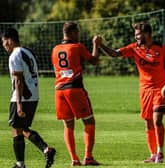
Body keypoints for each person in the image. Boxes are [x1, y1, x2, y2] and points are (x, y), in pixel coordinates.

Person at [99, 22, 165, 163]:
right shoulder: (134, 48)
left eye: (138, 34)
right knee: (148, 122)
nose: (135, 37)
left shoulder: (161, 48)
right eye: (135, 34)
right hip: (144, 90)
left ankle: (160, 152)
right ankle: (153, 154)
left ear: (147, 34)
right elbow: (115, 54)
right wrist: (101, 45)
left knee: (157, 119)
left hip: (160, 89)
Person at [1, 28, 56, 168]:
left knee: (16, 128)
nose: (3, 45)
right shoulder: (28, 51)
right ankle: (46, 150)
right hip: (33, 95)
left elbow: (19, 80)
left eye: (3, 41)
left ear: (10, 40)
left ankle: (21, 164)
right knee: (22, 128)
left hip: (22, 96)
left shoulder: (14, 55)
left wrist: (18, 103)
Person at [51, 21, 101, 166]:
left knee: (68, 125)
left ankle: (74, 159)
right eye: (77, 32)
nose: (78, 35)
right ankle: (88, 157)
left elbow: (57, 70)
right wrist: (96, 44)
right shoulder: (77, 47)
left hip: (59, 90)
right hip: (74, 89)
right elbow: (94, 61)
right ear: (72, 33)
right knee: (89, 121)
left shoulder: (55, 49)